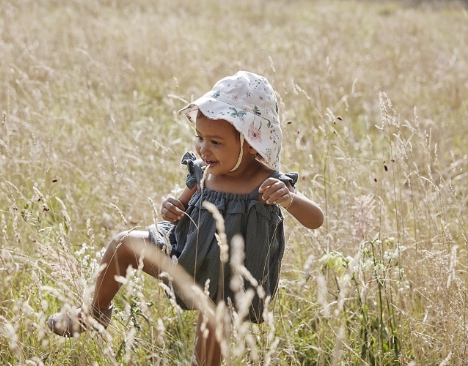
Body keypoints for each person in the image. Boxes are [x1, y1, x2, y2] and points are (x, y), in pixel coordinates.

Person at [47, 71, 324, 365]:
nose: (204, 149)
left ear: (252, 144)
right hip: (184, 258)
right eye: (200, 137)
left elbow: (315, 219)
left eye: (216, 142)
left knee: (211, 333)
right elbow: (180, 205)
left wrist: (289, 198)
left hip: (224, 286)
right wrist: (171, 206)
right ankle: (93, 314)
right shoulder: (204, 172)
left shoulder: (267, 182)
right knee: (124, 244)